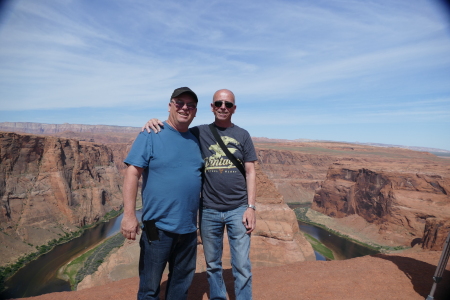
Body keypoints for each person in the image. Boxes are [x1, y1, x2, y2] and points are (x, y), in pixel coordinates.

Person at [143, 89, 257, 300]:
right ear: (212, 107)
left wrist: (251, 207)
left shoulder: (243, 135)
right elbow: (176, 130)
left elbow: (250, 172)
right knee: (213, 264)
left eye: (228, 104)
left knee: (241, 264)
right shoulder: (199, 132)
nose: (223, 107)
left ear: (234, 108)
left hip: (238, 209)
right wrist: (153, 122)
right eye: (219, 103)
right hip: (209, 210)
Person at [121, 87, 204, 300]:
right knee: (149, 287)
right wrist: (129, 215)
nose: (185, 108)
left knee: (180, 287)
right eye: (179, 103)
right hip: (156, 228)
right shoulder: (151, 133)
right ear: (170, 106)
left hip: (187, 229)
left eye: (190, 105)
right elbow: (132, 173)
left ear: (195, 111)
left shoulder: (197, 139)